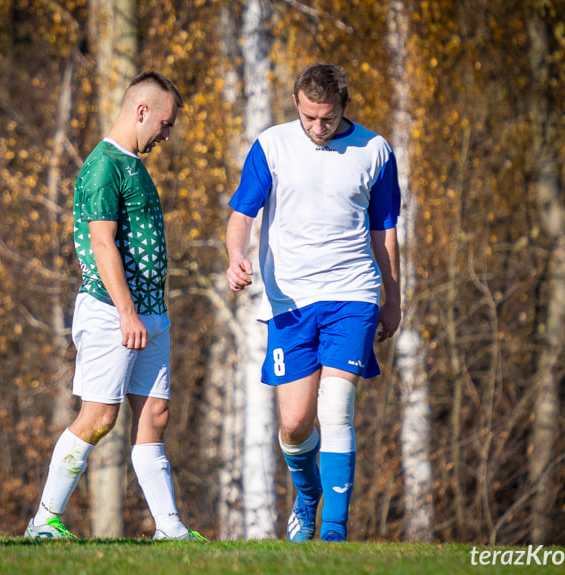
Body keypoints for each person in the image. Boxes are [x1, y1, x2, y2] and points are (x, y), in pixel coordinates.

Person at [225, 63, 401, 542]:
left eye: (325, 119)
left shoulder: (375, 150)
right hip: (290, 301)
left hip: (353, 293)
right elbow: (242, 212)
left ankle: (334, 533)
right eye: (307, 118)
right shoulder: (272, 145)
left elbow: (385, 230)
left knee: (336, 407)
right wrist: (235, 254)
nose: (316, 128)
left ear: (344, 106)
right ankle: (307, 497)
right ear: (297, 107)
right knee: (295, 423)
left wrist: (394, 298)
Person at [26, 71, 204, 541]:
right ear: (141, 111)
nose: (168, 134)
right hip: (112, 312)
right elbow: (102, 245)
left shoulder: (133, 165)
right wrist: (126, 311)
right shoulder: (103, 166)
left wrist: (146, 312)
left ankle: (170, 529)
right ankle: (44, 520)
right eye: (165, 124)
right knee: (100, 417)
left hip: (149, 314)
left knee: (155, 416)